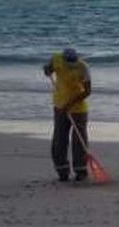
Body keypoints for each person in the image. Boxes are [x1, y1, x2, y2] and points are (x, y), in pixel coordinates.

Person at [43, 48, 91, 182]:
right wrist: (47, 70)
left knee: (79, 141)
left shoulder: (83, 67)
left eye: (73, 62)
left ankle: (80, 171)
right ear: (64, 59)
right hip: (59, 106)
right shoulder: (57, 59)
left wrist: (69, 105)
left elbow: (87, 91)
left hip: (78, 109)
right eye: (69, 62)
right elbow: (49, 68)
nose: (71, 65)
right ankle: (62, 171)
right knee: (59, 139)